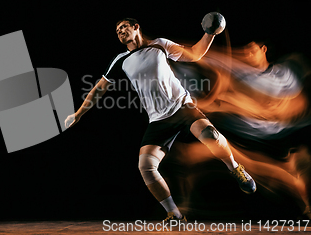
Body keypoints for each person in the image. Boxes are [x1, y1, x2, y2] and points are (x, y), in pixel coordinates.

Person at [64, 17, 256, 221]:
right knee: (145, 166)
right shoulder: (120, 60)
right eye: (117, 30)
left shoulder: (160, 45)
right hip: (158, 120)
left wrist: (210, 33)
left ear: (136, 27)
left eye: (124, 27)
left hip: (182, 106)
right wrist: (77, 114)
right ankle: (174, 213)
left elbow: (195, 54)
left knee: (211, 135)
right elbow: (98, 89)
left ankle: (235, 168)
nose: (120, 31)